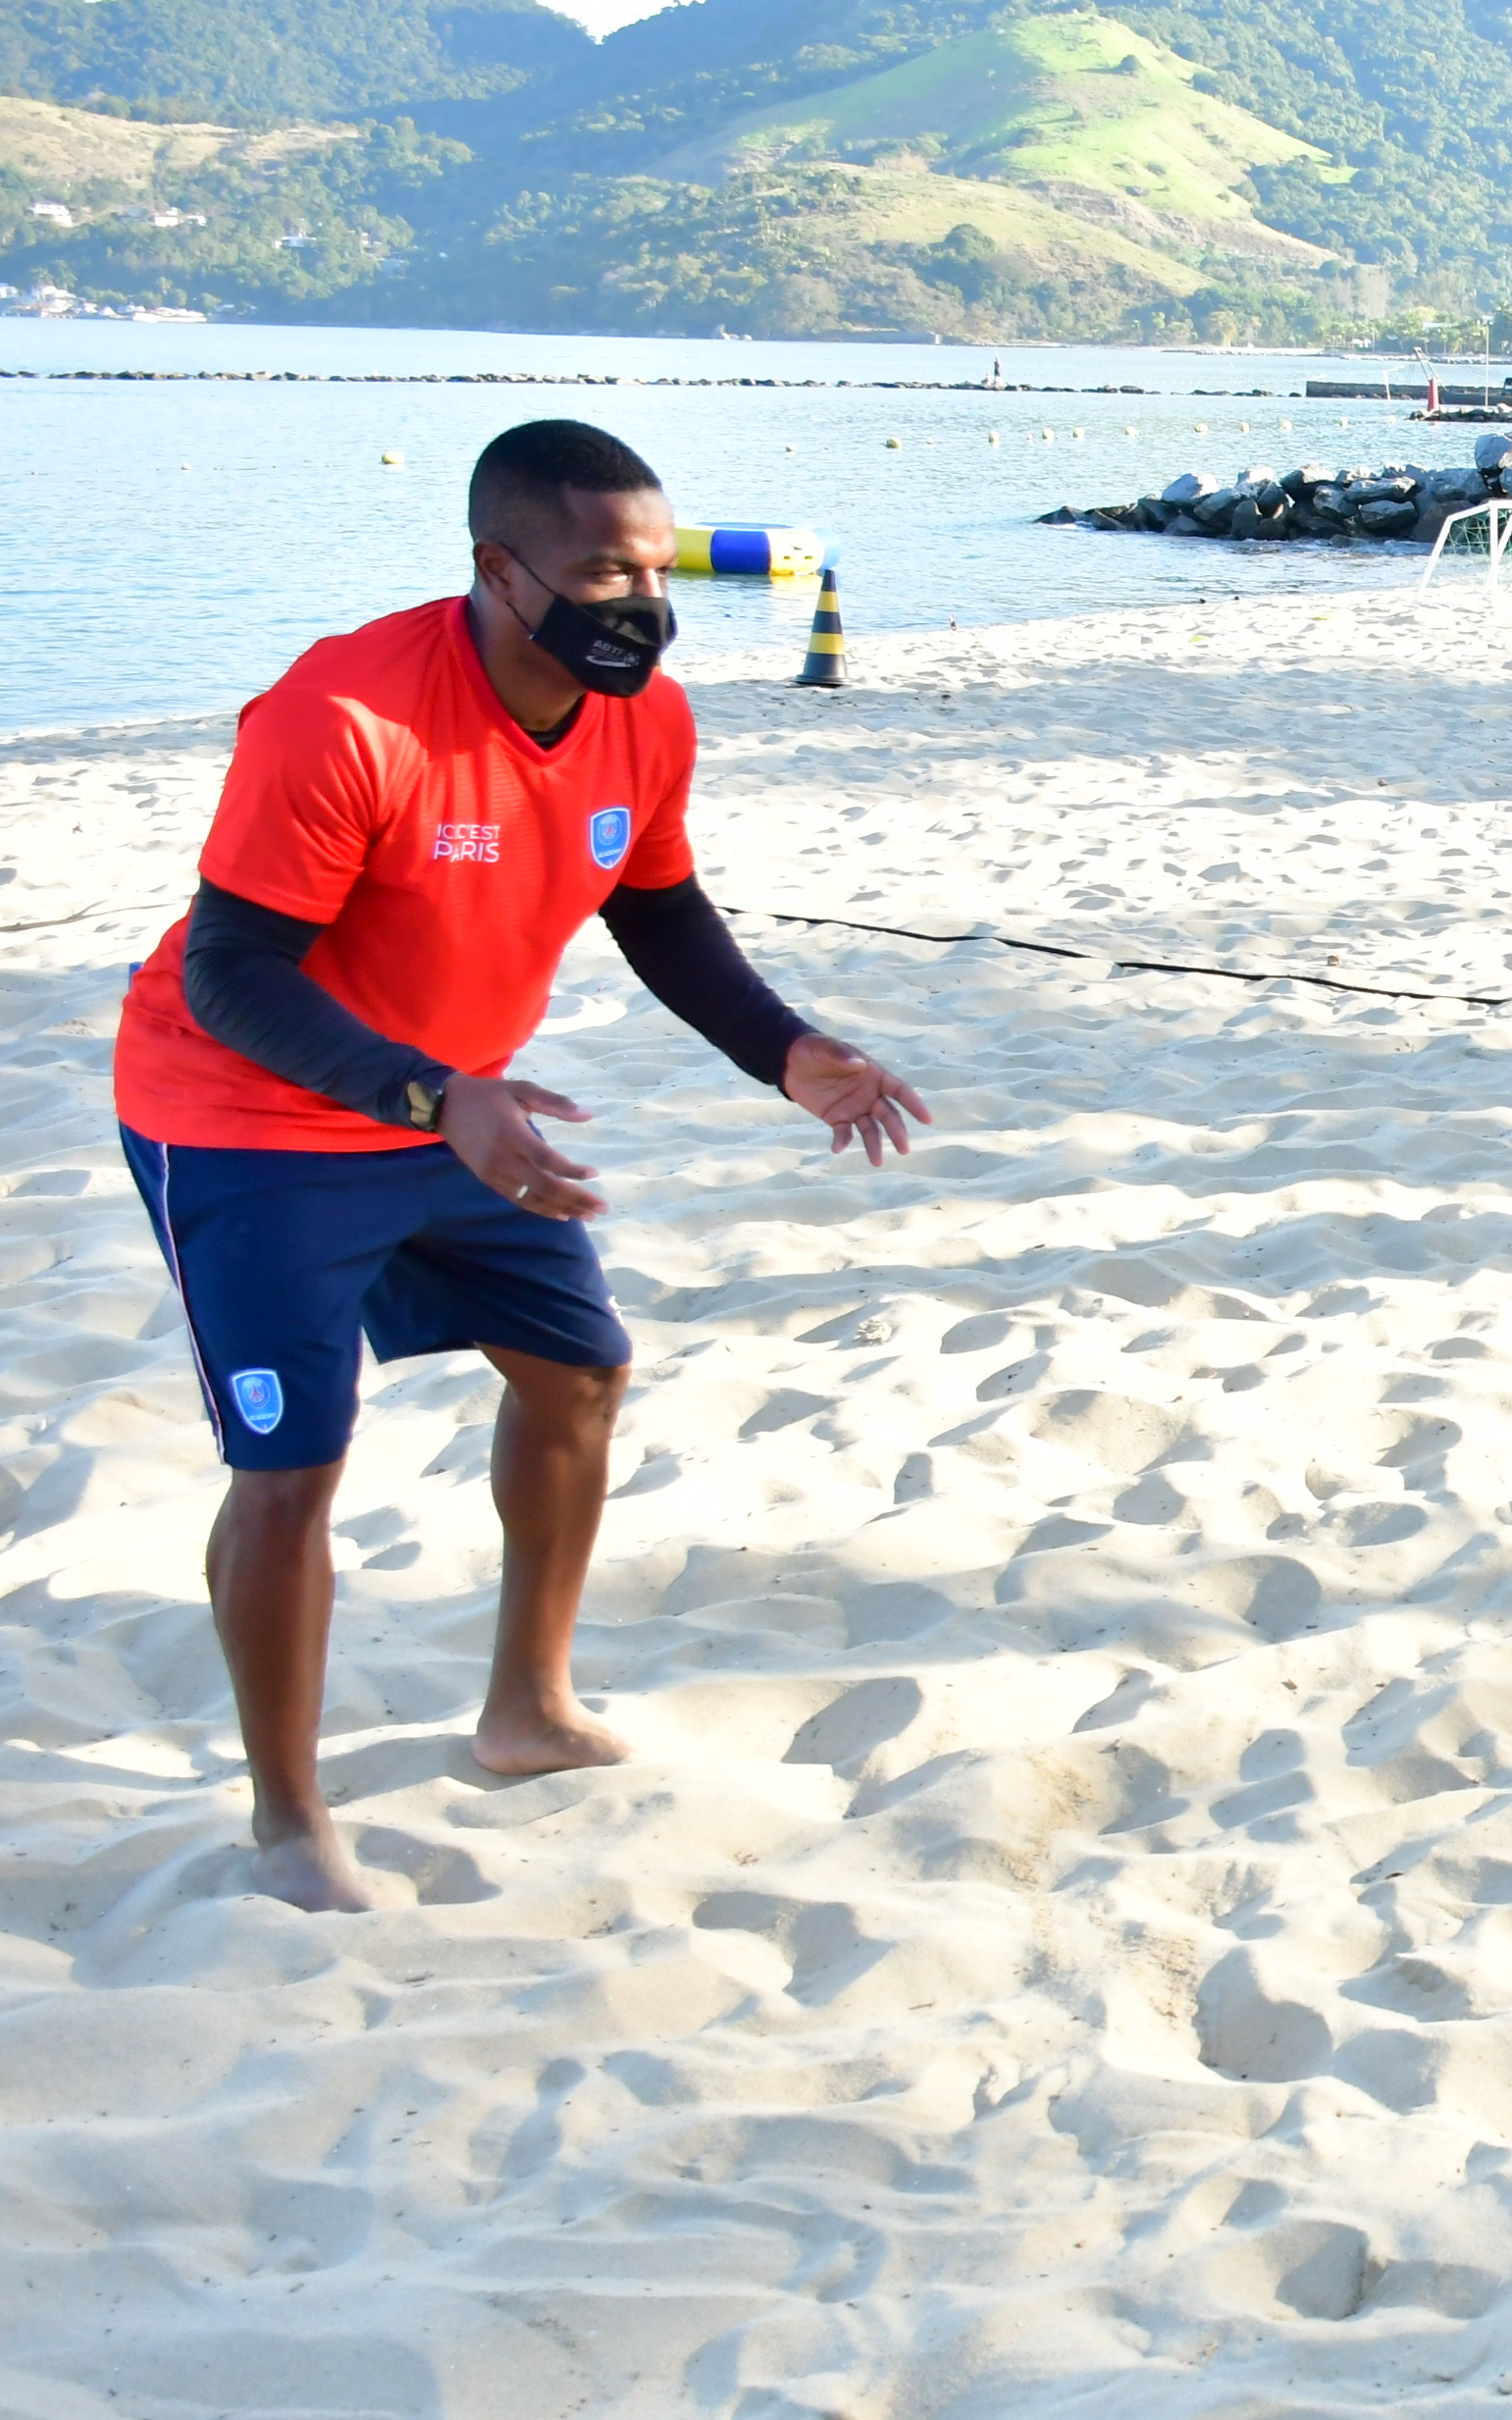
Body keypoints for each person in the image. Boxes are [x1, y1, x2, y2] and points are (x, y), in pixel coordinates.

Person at [109, 419, 933, 1914]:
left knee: (578, 1368)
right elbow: (234, 969)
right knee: (291, 1466)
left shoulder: (648, 718)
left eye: (654, 564)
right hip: (251, 1117)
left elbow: (660, 909)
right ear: (498, 569)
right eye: (599, 569)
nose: (638, 597)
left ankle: (526, 1710)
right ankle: (290, 1819)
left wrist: (783, 1046)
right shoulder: (345, 715)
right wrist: (431, 1090)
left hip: (459, 1109)